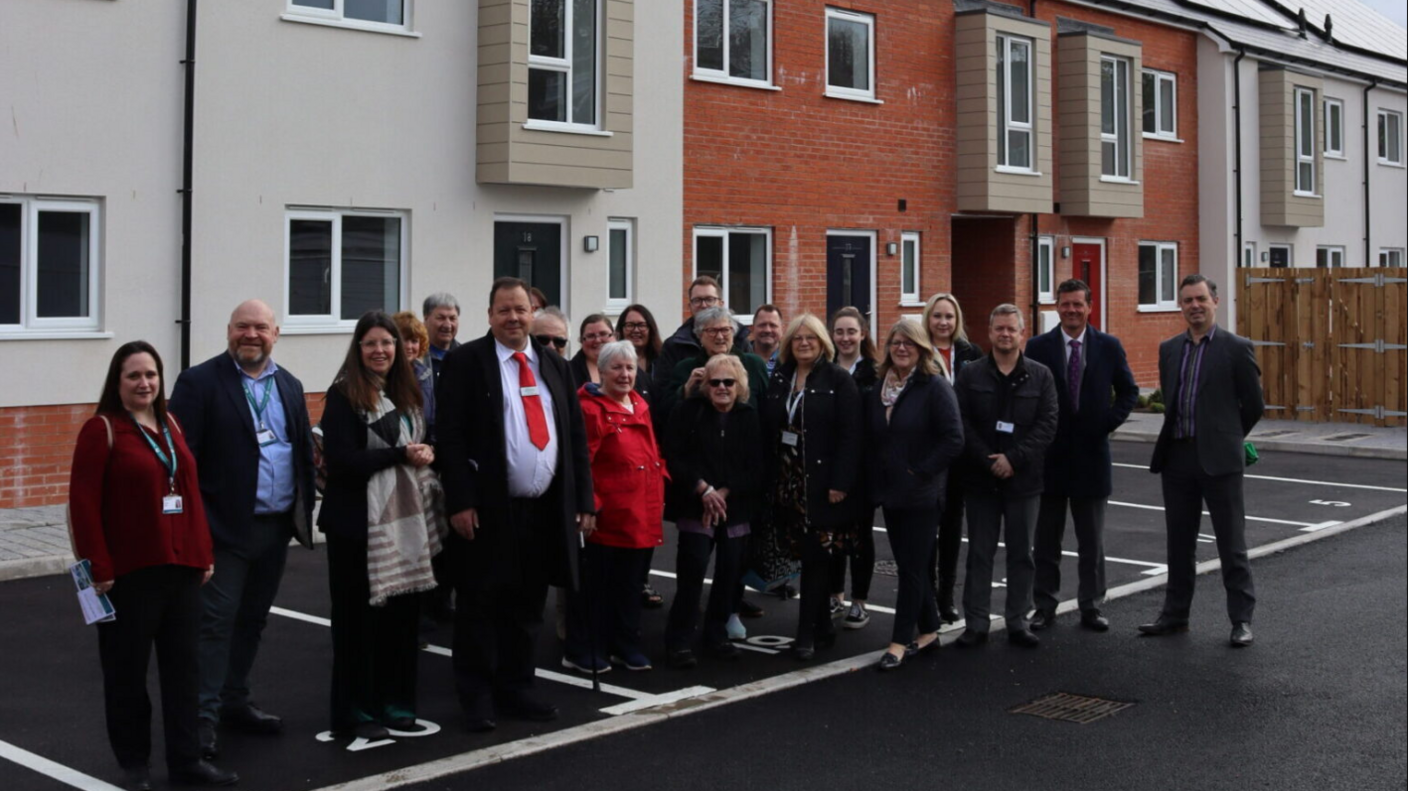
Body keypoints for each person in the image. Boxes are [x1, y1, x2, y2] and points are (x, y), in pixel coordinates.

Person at [70, 341, 237, 790]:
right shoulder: (102, 429)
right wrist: (98, 567)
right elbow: (82, 506)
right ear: (117, 382)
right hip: (126, 575)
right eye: (134, 376)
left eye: (151, 375)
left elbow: (189, 493)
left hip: (180, 571)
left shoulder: (172, 423)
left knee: (184, 674)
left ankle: (187, 761)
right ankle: (135, 765)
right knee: (126, 676)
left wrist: (203, 552)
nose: (144, 383)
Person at [436, 277, 595, 732]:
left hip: (544, 509)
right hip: (488, 509)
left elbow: (575, 439)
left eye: (521, 309)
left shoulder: (554, 365)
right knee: (481, 605)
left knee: (528, 606)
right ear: (489, 316)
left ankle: (517, 687)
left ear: (533, 312)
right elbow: (450, 435)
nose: (513, 318)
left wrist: (583, 500)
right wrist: (461, 501)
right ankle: (477, 695)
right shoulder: (467, 362)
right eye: (503, 310)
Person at [168, 300, 315, 761]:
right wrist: (193, 530)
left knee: (252, 621)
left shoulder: (289, 385)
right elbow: (179, 462)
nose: (250, 335)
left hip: (274, 528)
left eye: (260, 328)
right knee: (213, 626)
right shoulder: (199, 383)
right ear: (228, 330)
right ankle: (200, 721)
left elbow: (299, 448)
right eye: (241, 327)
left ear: (276, 333)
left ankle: (235, 701)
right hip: (223, 531)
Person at [318, 312, 441, 741]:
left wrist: (426, 452)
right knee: (356, 625)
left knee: (401, 621)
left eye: (387, 343)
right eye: (370, 344)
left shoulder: (408, 393)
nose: (380, 351)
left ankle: (396, 702)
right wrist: (401, 454)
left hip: (404, 522)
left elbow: (425, 441)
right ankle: (357, 710)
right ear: (358, 349)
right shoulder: (342, 396)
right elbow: (342, 461)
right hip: (355, 526)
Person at [1141, 275, 1264, 647]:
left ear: (1215, 301)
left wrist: (1227, 437)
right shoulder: (1169, 348)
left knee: (1232, 544)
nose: (1194, 306)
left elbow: (1253, 405)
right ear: (1180, 306)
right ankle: (1175, 616)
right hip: (1178, 457)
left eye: (1200, 299)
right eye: (1187, 300)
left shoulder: (1236, 347)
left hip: (1220, 462)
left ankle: (1241, 620)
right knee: (1179, 543)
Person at [1025, 280, 1139, 633]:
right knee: (1046, 541)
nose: (1071, 310)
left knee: (1092, 541)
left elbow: (1129, 390)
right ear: (1056, 307)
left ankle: (1091, 606)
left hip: (1091, 457)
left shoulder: (1108, 346)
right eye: (1065, 304)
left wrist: (1107, 422)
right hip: (1050, 459)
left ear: (1089, 307)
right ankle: (1044, 605)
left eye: (1078, 304)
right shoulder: (1037, 347)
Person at [954, 305, 1058, 649]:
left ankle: (1017, 621)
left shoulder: (1041, 376)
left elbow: (1047, 425)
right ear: (989, 331)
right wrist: (989, 461)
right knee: (980, 554)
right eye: (999, 328)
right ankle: (976, 623)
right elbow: (963, 423)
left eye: (1011, 329)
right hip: (981, 480)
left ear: (1021, 333)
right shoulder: (971, 375)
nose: (1005, 334)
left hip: (1024, 481)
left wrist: (1013, 459)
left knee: (1021, 554)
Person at [865, 321, 965, 670]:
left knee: (910, 567)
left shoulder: (934, 387)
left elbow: (954, 439)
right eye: (895, 343)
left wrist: (920, 470)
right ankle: (931, 630)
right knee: (916, 564)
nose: (901, 348)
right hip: (891, 494)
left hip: (922, 494)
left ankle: (899, 639)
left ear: (922, 349)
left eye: (909, 343)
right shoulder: (881, 388)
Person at [760, 314, 860, 660]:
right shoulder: (781, 376)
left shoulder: (838, 379)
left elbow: (851, 437)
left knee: (817, 558)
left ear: (822, 343)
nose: (804, 343)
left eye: (811, 339)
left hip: (821, 482)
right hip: (787, 481)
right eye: (798, 338)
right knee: (803, 554)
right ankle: (824, 625)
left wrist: (840, 483)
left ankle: (805, 634)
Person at [564, 341, 667, 673]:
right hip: (608, 517)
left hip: (641, 513)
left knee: (630, 586)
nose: (625, 374)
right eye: (617, 368)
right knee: (596, 588)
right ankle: (583, 648)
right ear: (602, 371)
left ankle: (624, 644)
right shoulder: (590, 409)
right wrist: (588, 506)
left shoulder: (640, 404)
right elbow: (582, 463)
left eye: (631, 368)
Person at [663, 355, 765, 668]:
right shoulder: (687, 411)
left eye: (728, 382)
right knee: (691, 574)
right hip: (696, 506)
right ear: (705, 385)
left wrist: (724, 492)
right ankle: (679, 640)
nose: (722, 387)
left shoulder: (749, 416)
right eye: (715, 382)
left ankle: (716, 635)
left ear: (740, 386)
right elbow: (673, 456)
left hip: (735, 508)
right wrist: (703, 489)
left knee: (729, 576)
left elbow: (757, 466)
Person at [923, 292, 983, 622]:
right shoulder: (919, 353)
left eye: (949, 316)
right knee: (928, 528)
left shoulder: (970, 353)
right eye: (937, 316)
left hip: (962, 455)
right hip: (930, 454)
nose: (943, 322)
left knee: (951, 529)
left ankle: (947, 596)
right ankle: (929, 595)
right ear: (928, 320)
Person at [393, 311, 454, 638]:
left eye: (415, 339)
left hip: (426, 467)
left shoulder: (423, 374)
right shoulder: (386, 378)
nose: (410, 345)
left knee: (430, 540)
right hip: (396, 471)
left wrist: (431, 448)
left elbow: (433, 419)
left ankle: (429, 605)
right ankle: (409, 617)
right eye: (403, 338)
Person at [828, 307, 879, 629]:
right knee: (831, 535)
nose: (845, 338)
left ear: (862, 334)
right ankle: (835, 595)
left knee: (860, 537)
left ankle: (859, 601)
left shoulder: (875, 372)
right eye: (839, 332)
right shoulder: (824, 369)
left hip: (863, 469)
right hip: (828, 466)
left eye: (851, 332)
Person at [614, 304, 664, 608]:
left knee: (649, 522)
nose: (636, 329)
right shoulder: (615, 360)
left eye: (642, 324)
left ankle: (641, 578)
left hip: (654, 447)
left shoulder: (662, 360)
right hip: (627, 452)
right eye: (630, 325)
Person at [652, 276, 751, 424]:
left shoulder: (741, 340)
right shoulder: (674, 346)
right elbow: (663, 398)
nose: (704, 305)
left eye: (709, 299)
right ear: (689, 306)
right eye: (697, 300)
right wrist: (686, 389)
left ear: (721, 303)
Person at [658, 307, 769, 421]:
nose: (720, 337)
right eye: (712, 331)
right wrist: (685, 390)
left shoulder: (753, 364)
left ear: (733, 333)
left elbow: (768, 410)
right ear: (700, 336)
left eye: (725, 330)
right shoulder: (686, 368)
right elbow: (665, 411)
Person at [423, 293, 461, 383]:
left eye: (452, 318)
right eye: (441, 318)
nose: (448, 325)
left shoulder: (465, 356)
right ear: (425, 319)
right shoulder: (415, 357)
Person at [569, 313, 616, 387]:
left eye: (603, 334)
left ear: (614, 336)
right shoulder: (569, 373)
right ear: (581, 341)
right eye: (590, 336)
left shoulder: (630, 367)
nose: (597, 340)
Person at [750, 304, 785, 374]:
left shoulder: (791, 359)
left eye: (773, 325)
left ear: (782, 329)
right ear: (753, 328)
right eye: (762, 325)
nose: (767, 330)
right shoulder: (739, 358)